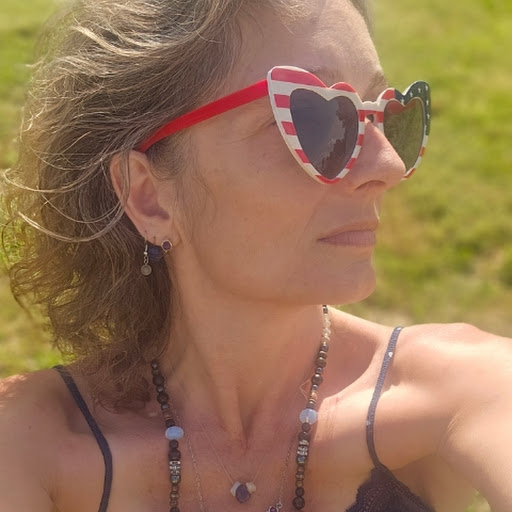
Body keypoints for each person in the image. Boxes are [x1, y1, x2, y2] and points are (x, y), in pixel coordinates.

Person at [0, 0, 510, 511]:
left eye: (386, 115)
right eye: (314, 116)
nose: (388, 164)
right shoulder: (28, 444)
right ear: (149, 197)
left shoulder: (464, 390)